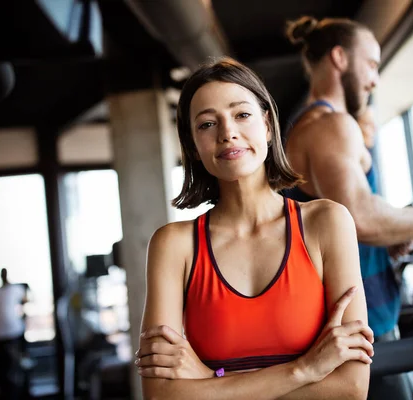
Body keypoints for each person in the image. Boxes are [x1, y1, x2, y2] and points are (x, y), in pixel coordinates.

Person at [135, 57, 375, 399]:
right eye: (206, 124)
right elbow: (160, 395)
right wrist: (305, 369)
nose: (227, 132)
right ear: (192, 144)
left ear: (267, 125)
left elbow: (350, 388)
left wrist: (207, 381)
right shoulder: (173, 246)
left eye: (242, 115)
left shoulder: (327, 223)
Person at [283, 16, 413, 398]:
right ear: (340, 58)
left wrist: (391, 233)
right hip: (358, 330)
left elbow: (343, 221)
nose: (375, 79)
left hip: (361, 324)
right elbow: (358, 216)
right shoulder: (331, 124)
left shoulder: (315, 125)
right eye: (371, 65)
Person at [0, 268, 27, 400]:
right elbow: (26, 300)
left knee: (1, 363)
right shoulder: (16, 289)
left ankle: (4, 391)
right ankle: (18, 389)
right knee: (15, 361)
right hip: (13, 331)